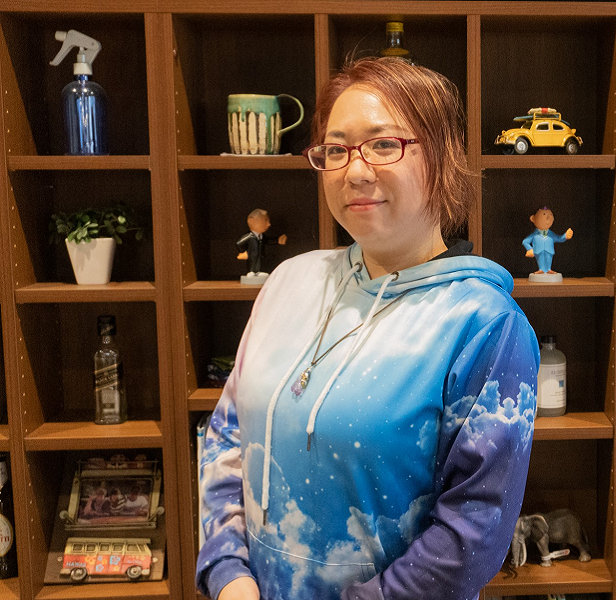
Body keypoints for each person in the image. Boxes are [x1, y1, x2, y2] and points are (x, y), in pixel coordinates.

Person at [197, 57, 539, 600]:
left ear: (442, 156)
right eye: (336, 150)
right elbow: (227, 432)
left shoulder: (483, 325)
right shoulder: (288, 281)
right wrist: (228, 575)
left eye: (383, 145)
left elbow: (473, 532)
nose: (354, 171)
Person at [236, 209, 288, 277]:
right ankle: (251, 271)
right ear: (251, 221)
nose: (269, 224)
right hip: (252, 256)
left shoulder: (261, 236)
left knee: (260, 262)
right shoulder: (249, 236)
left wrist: (277, 240)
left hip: (260, 256)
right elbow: (239, 243)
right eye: (265, 220)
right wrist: (243, 252)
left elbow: (267, 241)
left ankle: (258, 271)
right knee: (253, 262)